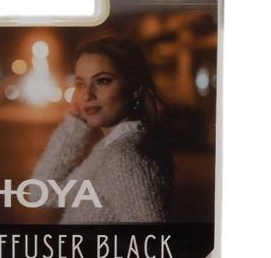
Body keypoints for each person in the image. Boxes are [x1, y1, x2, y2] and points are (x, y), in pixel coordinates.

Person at [32, 33, 173, 223]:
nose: (87, 95)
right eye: (81, 84)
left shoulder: (123, 157)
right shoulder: (111, 148)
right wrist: (75, 120)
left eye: (102, 81)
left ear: (135, 87)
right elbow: (43, 193)